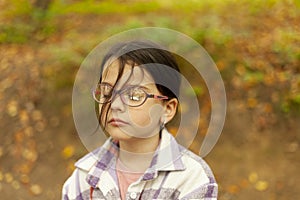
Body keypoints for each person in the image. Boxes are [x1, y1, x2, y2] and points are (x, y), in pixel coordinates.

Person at [62, 40, 218, 200]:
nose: (115, 105)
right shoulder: (82, 179)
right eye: (107, 92)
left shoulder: (191, 179)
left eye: (134, 95)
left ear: (167, 109)